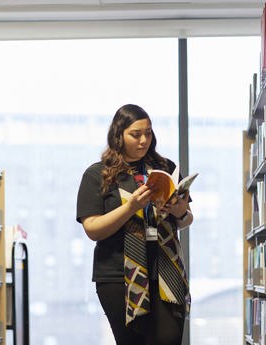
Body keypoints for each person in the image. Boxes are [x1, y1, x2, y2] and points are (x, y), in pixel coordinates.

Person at [76, 104, 193, 345]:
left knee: (169, 339)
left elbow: (187, 218)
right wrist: (130, 207)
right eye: (135, 134)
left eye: (148, 133)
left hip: (165, 271)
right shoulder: (97, 174)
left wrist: (179, 209)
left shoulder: (166, 168)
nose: (143, 141)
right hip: (118, 276)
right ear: (119, 136)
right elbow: (92, 229)